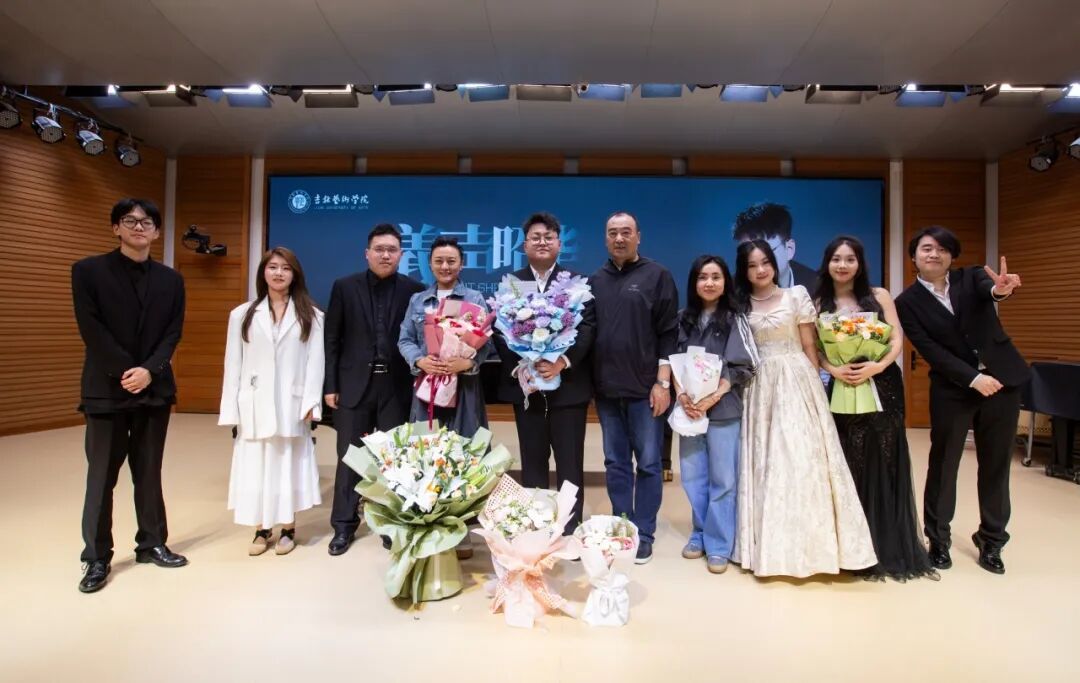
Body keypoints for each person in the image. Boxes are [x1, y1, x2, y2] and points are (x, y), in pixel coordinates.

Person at [731, 240, 876, 577]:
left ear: (775, 263)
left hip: (797, 380)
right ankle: (770, 549)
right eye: (752, 265)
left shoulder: (796, 295)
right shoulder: (739, 305)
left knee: (802, 458)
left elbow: (810, 346)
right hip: (759, 386)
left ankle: (816, 548)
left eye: (765, 262)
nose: (760, 270)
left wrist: (817, 389)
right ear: (744, 270)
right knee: (766, 461)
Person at [895, 226, 1029, 575]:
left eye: (942, 249)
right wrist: (973, 378)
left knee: (996, 465)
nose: (934, 254)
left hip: (1002, 382)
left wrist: (1000, 291)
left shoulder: (972, 277)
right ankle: (938, 540)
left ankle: (992, 539)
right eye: (926, 248)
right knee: (944, 463)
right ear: (914, 257)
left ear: (952, 256)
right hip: (953, 388)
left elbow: (992, 291)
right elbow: (931, 350)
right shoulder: (906, 302)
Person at [72, 198, 187, 593]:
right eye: (130, 220)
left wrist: (149, 371)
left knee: (149, 472)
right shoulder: (88, 271)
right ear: (116, 228)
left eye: (147, 221)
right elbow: (91, 328)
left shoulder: (172, 280)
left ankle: (152, 543)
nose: (139, 227)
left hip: (154, 388)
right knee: (101, 476)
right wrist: (126, 371)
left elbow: (172, 332)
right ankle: (96, 557)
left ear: (156, 231)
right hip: (106, 389)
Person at [814, 236, 937, 581]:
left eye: (849, 259)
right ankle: (854, 547)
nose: (842, 265)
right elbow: (816, 348)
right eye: (836, 259)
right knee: (850, 459)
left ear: (859, 263)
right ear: (827, 263)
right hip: (842, 385)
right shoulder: (818, 303)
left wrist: (877, 366)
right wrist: (833, 368)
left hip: (882, 385)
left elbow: (896, 338)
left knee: (884, 457)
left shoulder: (879, 295)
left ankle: (887, 545)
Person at [323, 224, 425, 556]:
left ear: (401, 255)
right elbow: (332, 339)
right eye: (379, 249)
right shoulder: (344, 287)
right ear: (367, 253)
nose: (385, 255)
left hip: (396, 386)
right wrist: (330, 385)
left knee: (394, 458)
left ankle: (389, 522)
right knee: (349, 458)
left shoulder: (414, 290)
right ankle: (343, 526)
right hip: (354, 385)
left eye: (392, 250)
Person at [492, 212, 595, 530]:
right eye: (535, 237)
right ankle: (536, 529)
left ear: (559, 244)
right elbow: (500, 331)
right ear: (524, 245)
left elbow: (588, 327)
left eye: (548, 237)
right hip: (528, 390)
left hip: (568, 388)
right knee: (533, 462)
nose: (542, 242)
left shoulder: (575, 283)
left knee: (570, 463)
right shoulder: (512, 283)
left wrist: (561, 361)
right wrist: (522, 368)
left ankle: (569, 529)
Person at [219, 247, 324, 556]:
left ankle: (288, 528)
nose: (279, 273)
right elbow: (233, 364)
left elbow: (315, 363)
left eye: (286, 268)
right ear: (263, 272)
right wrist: (232, 409)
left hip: (292, 404)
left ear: (295, 274)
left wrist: (311, 402)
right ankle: (261, 528)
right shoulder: (242, 315)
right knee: (256, 465)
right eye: (273, 267)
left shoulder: (311, 316)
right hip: (254, 402)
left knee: (286, 464)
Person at [590, 211, 679, 564]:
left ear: (638, 236)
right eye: (613, 232)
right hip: (607, 391)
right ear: (605, 238)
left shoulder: (657, 276)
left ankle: (644, 534)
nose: (619, 238)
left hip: (646, 391)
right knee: (615, 463)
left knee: (649, 464)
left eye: (626, 232)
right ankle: (622, 527)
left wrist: (662, 382)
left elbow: (669, 333)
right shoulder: (595, 281)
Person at [398, 235, 494, 559]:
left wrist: (468, 362)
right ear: (430, 264)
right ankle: (431, 527)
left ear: (461, 264)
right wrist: (419, 360)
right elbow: (405, 339)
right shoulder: (418, 301)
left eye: (451, 261)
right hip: (427, 390)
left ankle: (461, 531)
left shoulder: (475, 298)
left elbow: (488, 343)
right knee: (427, 454)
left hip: (464, 390)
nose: (445, 266)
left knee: (464, 455)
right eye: (439, 260)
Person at [672, 255, 755, 574]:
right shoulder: (683, 319)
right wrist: (682, 395)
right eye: (702, 277)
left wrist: (714, 396)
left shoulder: (736, 318)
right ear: (694, 283)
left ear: (725, 282)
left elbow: (745, 365)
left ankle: (719, 544)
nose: (709, 283)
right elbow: (673, 361)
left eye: (715, 277)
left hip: (723, 409)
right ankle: (699, 533)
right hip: (690, 410)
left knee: (723, 480)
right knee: (693, 477)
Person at [732, 202, 817, 289]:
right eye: (746, 253)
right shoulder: (729, 291)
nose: (759, 269)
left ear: (789, 249)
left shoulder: (817, 287)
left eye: (766, 251)